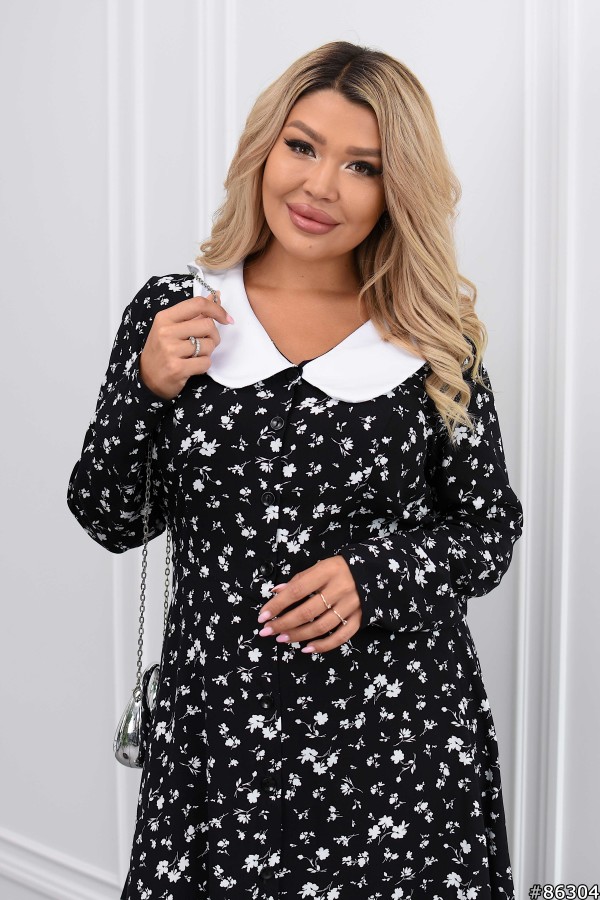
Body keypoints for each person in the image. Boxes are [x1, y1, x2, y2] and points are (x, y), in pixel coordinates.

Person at [67, 40, 523, 900]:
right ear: (264, 148)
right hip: (220, 747)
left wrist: (376, 575)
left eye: (362, 166)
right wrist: (147, 389)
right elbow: (109, 518)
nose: (320, 186)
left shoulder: (432, 340)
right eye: (303, 146)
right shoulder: (178, 312)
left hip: (403, 749)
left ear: (397, 189)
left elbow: (488, 532)